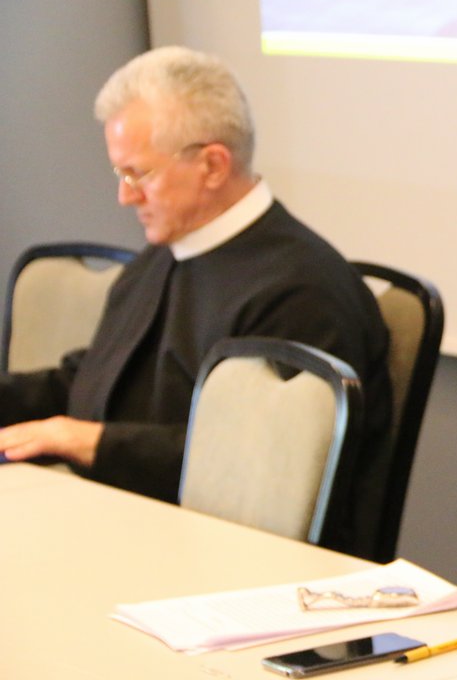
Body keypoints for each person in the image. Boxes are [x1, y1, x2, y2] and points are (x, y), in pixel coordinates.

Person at [0, 46, 392, 559]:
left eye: (138, 174)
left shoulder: (302, 291)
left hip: (238, 564)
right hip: (129, 529)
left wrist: (88, 441)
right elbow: (94, 382)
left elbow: (258, 471)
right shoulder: (166, 256)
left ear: (212, 165)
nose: (125, 196)